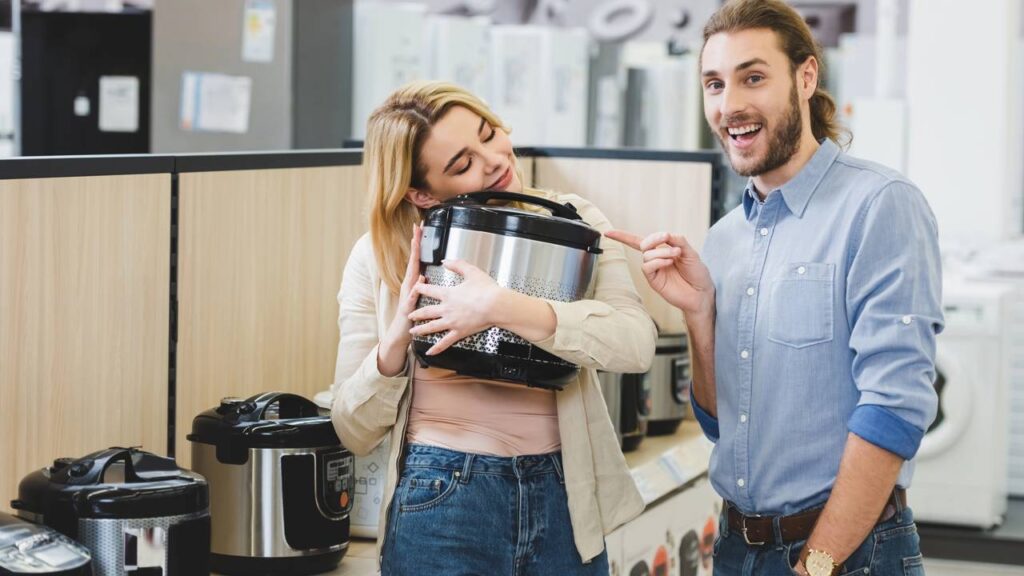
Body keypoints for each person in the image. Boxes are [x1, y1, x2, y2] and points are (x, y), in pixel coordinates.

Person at [606, 1, 943, 575]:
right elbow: (718, 420)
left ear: (806, 77)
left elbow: (894, 409)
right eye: (714, 83)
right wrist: (698, 314)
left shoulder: (878, 206)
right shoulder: (723, 238)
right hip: (738, 549)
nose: (730, 105)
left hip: (848, 552)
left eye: (753, 77)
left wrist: (817, 563)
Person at [330, 80, 657, 575]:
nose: (494, 160)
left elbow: (635, 344)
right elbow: (351, 427)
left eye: (490, 133)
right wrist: (398, 337)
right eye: (461, 164)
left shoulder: (576, 223)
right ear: (420, 192)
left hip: (564, 492)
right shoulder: (378, 258)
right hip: (441, 496)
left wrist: (501, 307)